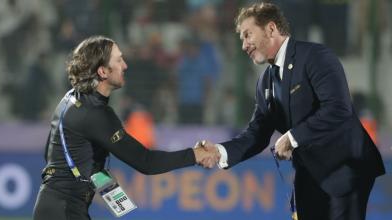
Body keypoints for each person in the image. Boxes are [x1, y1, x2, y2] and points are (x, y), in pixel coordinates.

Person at [198, 3, 385, 220]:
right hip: (309, 174)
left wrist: (292, 137)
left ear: (270, 29)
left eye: (248, 34)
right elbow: (256, 135)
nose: (244, 45)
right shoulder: (265, 83)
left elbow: (338, 108)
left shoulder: (315, 56)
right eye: (241, 38)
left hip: (344, 167)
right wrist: (219, 152)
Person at [32, 36, 218, 220]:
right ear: (103, 71)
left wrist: (93, 173)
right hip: (65, 210)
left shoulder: (70, 99)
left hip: (53, 206)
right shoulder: (97, 114)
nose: (125, 65)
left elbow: (54, 154)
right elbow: (146, 161)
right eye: (119, 60)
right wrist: (196, 154)